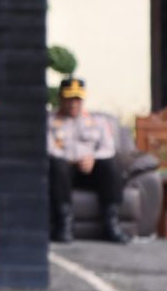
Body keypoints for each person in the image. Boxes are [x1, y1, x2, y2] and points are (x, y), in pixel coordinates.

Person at [48, 77, 131, 244]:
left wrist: (92, 159)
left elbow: (108, 147)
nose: (73, 103)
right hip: (65, 173)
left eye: (77, 99)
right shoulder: (50, 121)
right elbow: (49, 148)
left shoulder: (98, 121)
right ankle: (65, 225)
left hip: (92, 171)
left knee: (110, 164)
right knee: (58, 165)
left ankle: (112, 224)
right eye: (69, 98)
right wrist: (72, 161)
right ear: (61, 98)